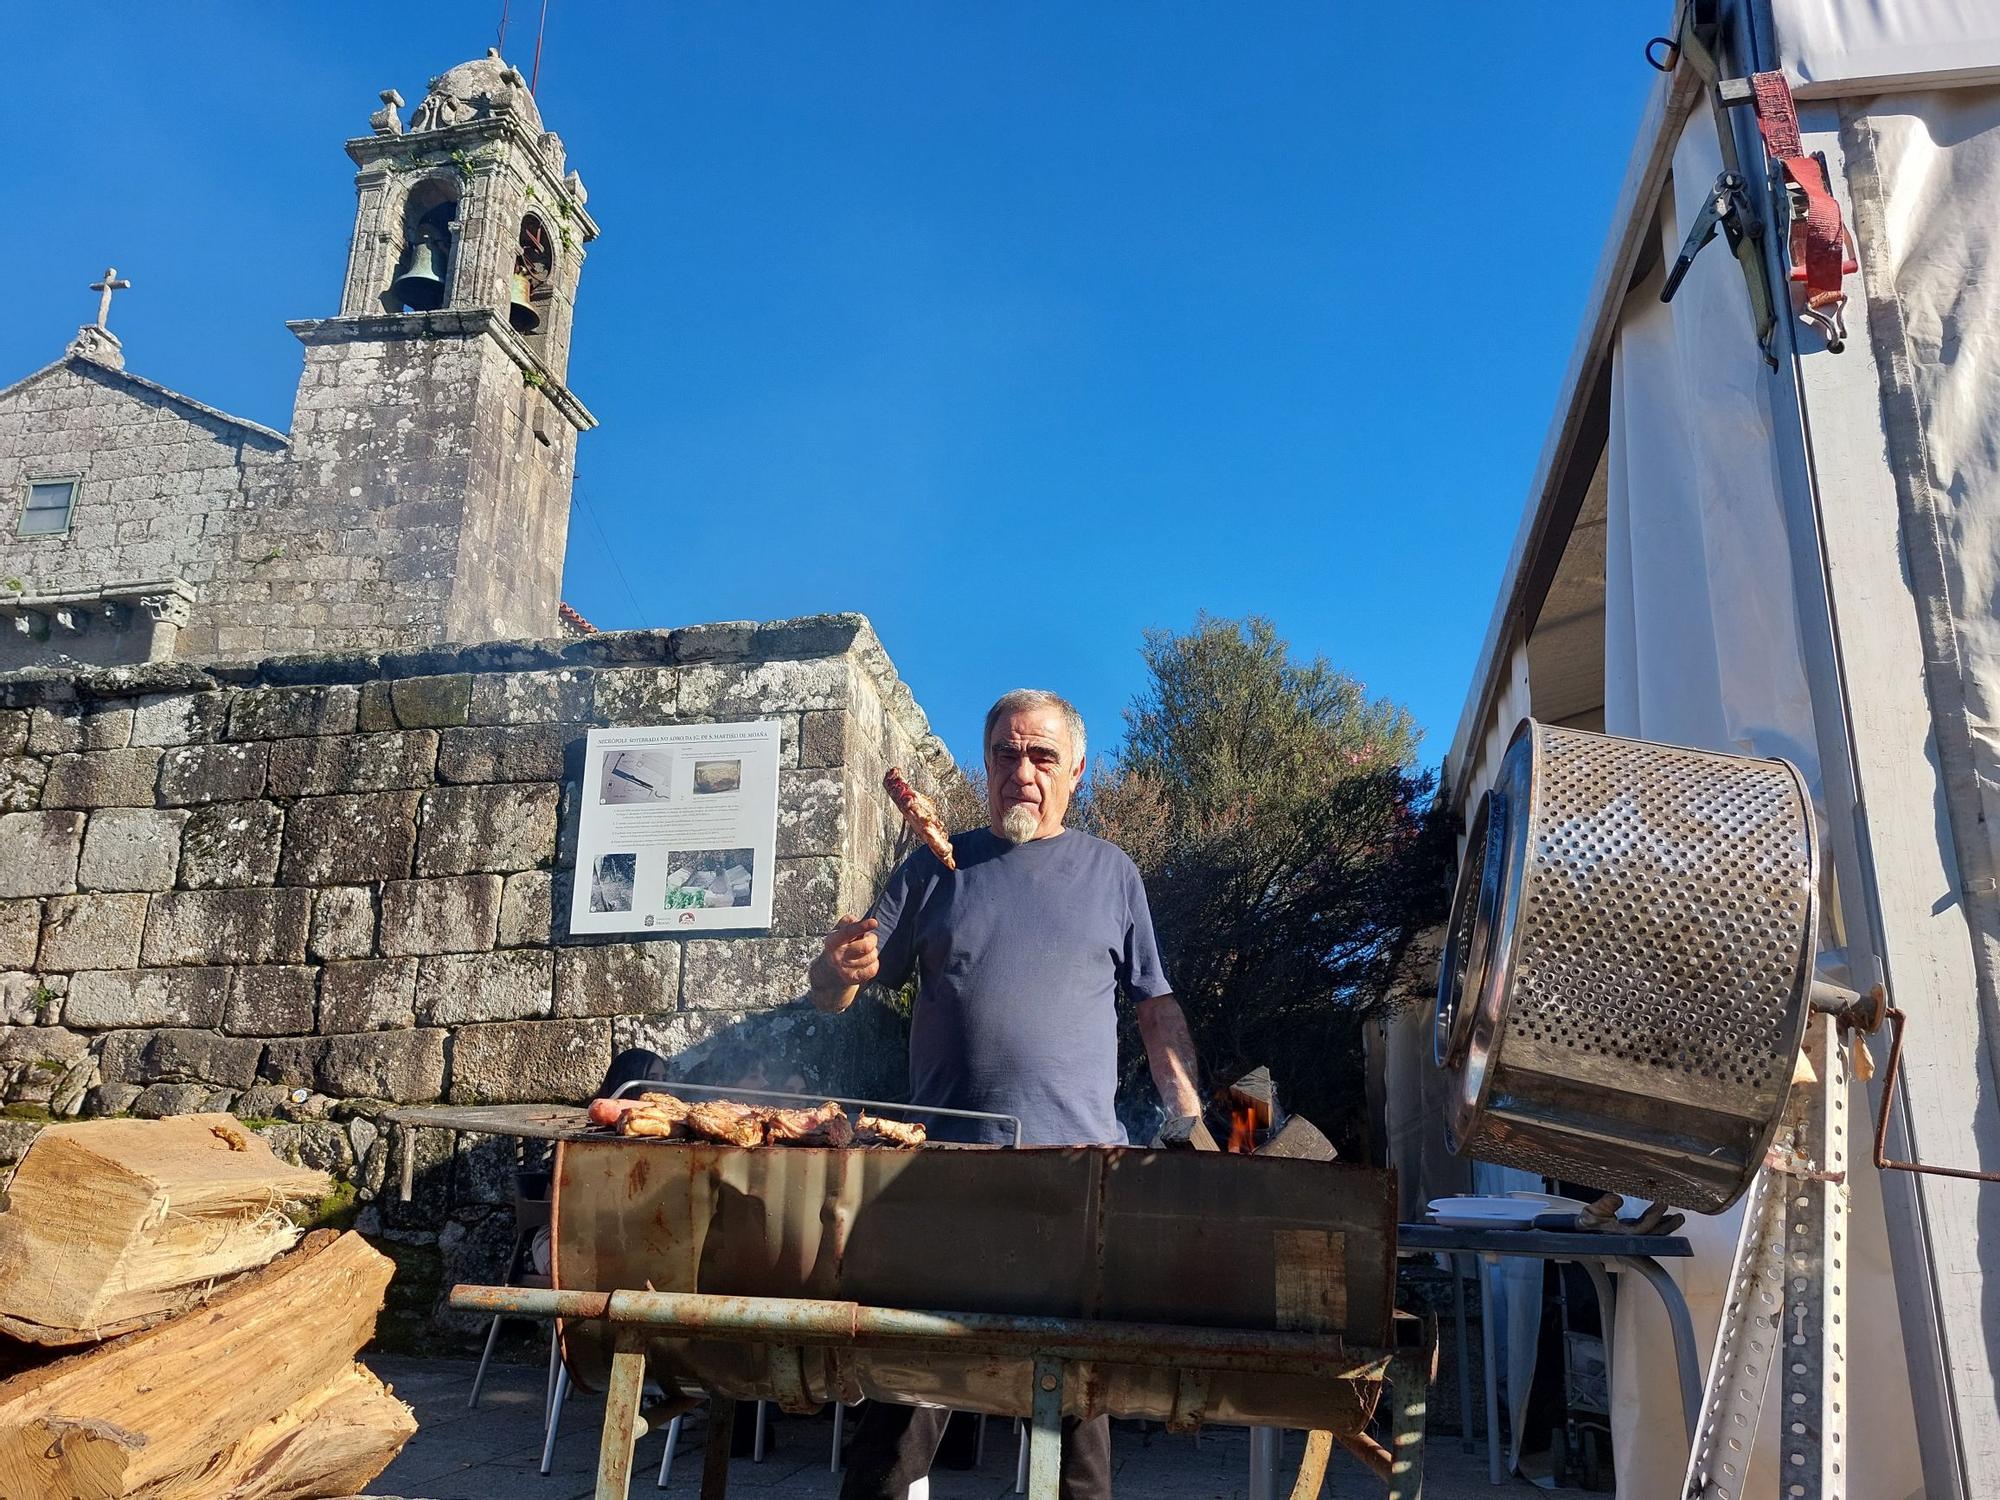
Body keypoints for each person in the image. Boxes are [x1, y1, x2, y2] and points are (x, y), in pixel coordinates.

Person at [809, 687, 1205, 1500]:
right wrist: (835, 965)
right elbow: (837, 987)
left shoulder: (1112, 874)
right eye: (1005, 754)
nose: (1021, 772)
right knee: (898, 1423)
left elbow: (1154, 1006)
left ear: (1077, 773)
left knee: (1075, 1442)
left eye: (1042, 756)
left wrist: (1188, 1115)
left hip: (1072, 1181)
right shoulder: (932, 868)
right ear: (984, 764)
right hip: (942, 1178)